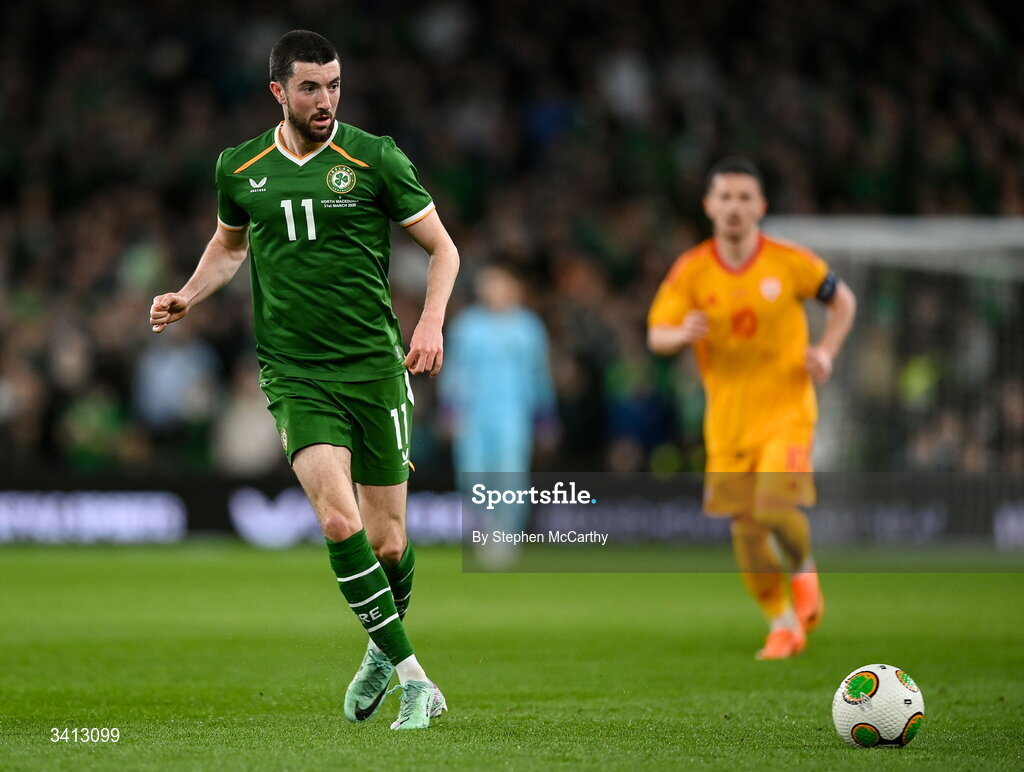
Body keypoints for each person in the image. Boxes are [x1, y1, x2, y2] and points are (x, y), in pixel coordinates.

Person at [149, 30, 459, 728]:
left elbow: (443, 249)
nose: (326, 100)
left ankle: (383, 649)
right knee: (335, 518)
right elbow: (229, 249)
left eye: (335, 85)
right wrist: (188, 294)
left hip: (375, 368)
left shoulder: (374, 157)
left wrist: (432, 323)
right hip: (295, 373)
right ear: (278, 92)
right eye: (312, 88)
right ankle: (417, 680)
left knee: (387, 543)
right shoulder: (240, 166)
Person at [647, 157, 856, 660]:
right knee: (744, 530)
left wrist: (826, 350)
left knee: (771, 506)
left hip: (786, 410)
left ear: (761, 206)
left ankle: (804, 569)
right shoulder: (692, 269)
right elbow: (656, 334)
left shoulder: (789, 261)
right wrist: (682, 334)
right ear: (709, 206)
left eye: (745, 198)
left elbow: (842, 300)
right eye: (726, 197)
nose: (735, 207)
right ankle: (781, 624)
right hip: (727, 420)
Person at [439, 265, 558, 563]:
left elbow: (538, 373)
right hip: (473, 412)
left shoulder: (528, 327)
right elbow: (454, 370)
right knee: (472, 474)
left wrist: (545, 416)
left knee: (510, 474)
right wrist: (450, 410)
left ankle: (507, 535)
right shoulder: (466, 326)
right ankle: (486, 528)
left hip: (513, 412)